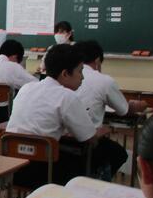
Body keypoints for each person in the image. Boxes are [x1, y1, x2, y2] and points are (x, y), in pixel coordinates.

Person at [6, 44, 100, 188]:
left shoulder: (27, 88)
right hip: (45, 173)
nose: (82, 77)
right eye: (80, 71)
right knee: (99, 152)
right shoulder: (67, 96)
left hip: (14, 168)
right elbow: (89, 138)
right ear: (65, 74)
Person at [75, 40, 147, 179]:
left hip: (63, 141)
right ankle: (98, 180)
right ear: (97, 60)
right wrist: (140, 105)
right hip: (87, 142)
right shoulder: (103, 80)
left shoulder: (65, 77)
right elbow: (124, 110)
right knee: (118, 153)